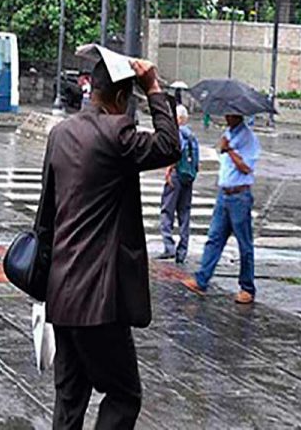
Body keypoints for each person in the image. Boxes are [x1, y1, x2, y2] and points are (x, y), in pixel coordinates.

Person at [36, 57, 180, 429]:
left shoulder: (60, 133)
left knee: (69, 400)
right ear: (120, 98)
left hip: (62, 292)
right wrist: (153, 88)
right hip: (98, 299)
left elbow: (45, 217)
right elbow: (169, 145)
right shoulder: (116, 135)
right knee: (123, 394)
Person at [182, 114, 261, 304]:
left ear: (238, 115)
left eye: (230, 113)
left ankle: (247, 288)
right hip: (224, 194)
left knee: (244, 244)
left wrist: (230, 150)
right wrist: (225, 145)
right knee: (214, 238)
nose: (226, 116)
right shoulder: (229, 133)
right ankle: (201, 280)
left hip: (239, 196)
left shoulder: (249, 138)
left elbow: (246, 168)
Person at [157, 104, 200, 264]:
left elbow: (176, 152)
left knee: (167, 210)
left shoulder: (179, 133)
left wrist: (169, 171)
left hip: (176, 175)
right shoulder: (192, 135)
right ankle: (182, 251)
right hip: (188, 177)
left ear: (179, 118)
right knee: (184, 213)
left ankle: (169, 246)